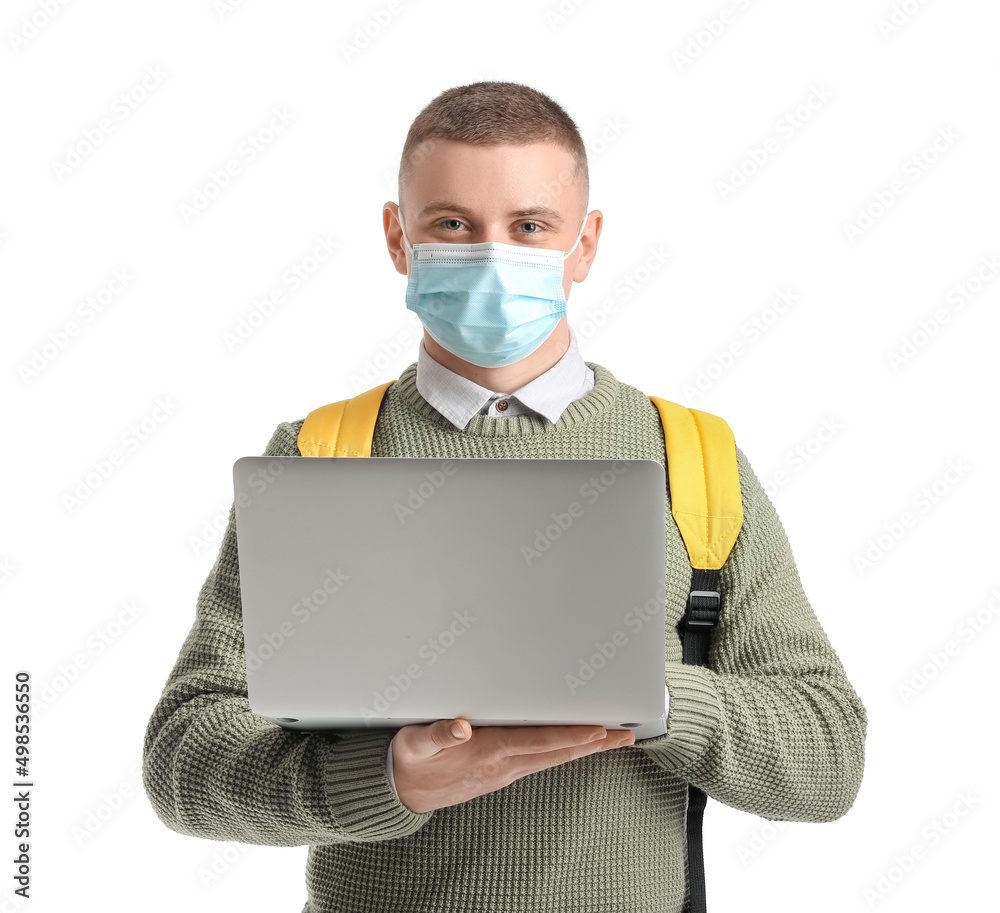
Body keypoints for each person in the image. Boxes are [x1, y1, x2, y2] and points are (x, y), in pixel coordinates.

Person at [142, 80, 867, 913]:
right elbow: (183, 757)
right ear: (397, 236)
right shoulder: (318, 455)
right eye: (452, 224)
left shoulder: (693, 458)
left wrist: (653, 695)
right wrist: (386, 779)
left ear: (585, 245)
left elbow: (829, 754)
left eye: (529, 227)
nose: (491, 255)